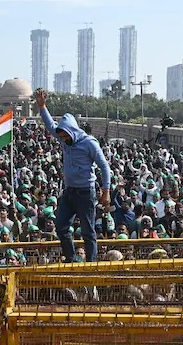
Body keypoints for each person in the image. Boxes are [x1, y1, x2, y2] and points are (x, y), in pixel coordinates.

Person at [35, 89, 111, 263]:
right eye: (60, 136)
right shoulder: (63, 137)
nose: (62, 139)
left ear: (72, 131)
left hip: (86, 192)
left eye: (65, 136)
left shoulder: (89, 143)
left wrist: (106, 191)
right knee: (61, 226)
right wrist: (42, 106)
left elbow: (104, 166)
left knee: (87, 231)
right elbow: (50, 126)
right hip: (69, 191)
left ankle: (91, 263)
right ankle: (72, 258)